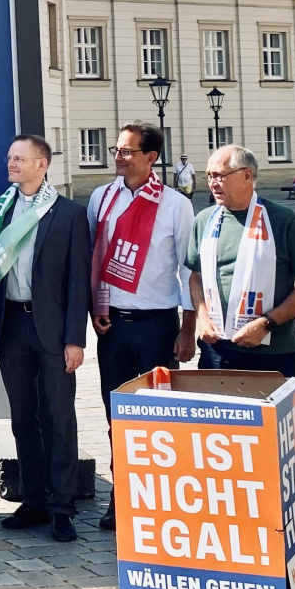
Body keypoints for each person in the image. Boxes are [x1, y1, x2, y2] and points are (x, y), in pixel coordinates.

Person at [188, 144, 295, 558]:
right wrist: (201, 317)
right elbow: (197, 278)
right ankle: (241, 527)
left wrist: (267, 323)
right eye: (209, 176)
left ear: (247, 176)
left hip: (274, 352)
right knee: (222, 442)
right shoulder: (205, 221)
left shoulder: (282, 220)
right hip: (219, 352)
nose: (213, 183)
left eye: (220, 175)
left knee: (294, 443)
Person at [0, 135, 90, 543]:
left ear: (41, 164)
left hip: (55, 331)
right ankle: (35, 499)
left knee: (59, 417)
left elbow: (79, 282)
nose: (11, 164)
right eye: (9, 158)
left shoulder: (70, 214)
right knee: (24, 417)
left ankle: (61, 506)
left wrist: (76, 338)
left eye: (19, 159)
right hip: (12, 327)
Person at [85, 125, 196, 532]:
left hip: (157, 325)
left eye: (129, 151)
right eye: (117, 150)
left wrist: (188, 328)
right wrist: (94, 307)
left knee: (161, 417)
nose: (120, 157)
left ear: (151, 157)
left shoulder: (174, 205)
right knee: (119, 418)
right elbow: (94, 257)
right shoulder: (102, 198)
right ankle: (122, 499)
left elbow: (188, 269)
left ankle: (164, 503)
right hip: (112, 326)